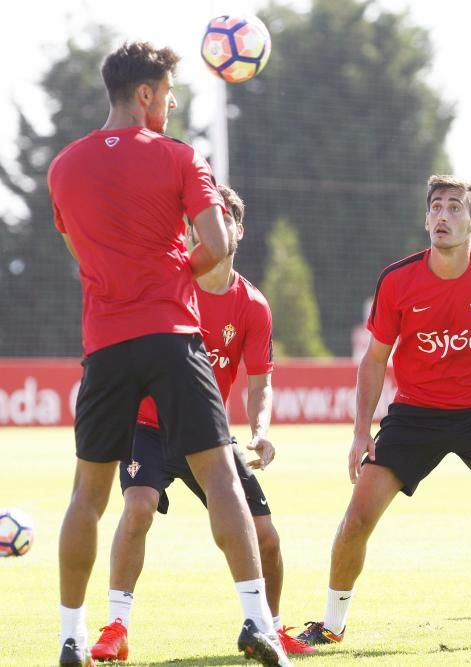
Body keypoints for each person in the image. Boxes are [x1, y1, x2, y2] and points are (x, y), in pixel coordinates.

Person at [47, 42, 290, 666]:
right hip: (173, 337)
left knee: (87, 495)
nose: (174, 103)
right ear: (146, 94)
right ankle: (259, 622)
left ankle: (72, 636)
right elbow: (215, 244)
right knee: (221, 477)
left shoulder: (64, 168)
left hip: (105, 344)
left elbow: (81, 251)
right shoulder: (181, 157)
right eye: (169, 92)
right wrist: (177, 276)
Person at [295, 175, 471, 647]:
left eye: (454, 208)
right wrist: (359, 430)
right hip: (415, 413)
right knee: (357, 519)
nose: (442, 216)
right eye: (435, 207)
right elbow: (374, 359)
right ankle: (330, 625)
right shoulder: (398, 279)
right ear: (426, 218)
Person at [88, 185, 313, 661]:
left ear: (239, 230)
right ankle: (116, 627)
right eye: (198, 221)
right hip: (147, 425)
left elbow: (260, 383)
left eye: (221, 219)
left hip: (206, 432)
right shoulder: (170, 286)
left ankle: (267, 627)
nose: (206, 228)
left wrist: (260, 430)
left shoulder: (252, 305)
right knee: (139, 508)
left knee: (266, 535)